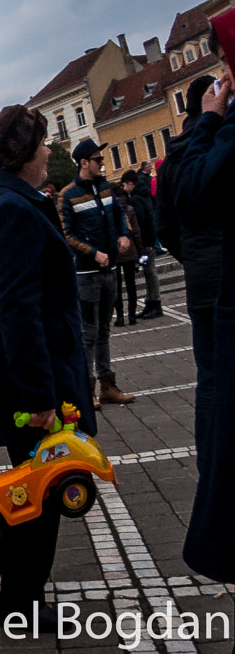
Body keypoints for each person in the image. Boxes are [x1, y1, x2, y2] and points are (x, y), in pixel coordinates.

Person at [0, 105, 92, 627]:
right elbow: (17, 307)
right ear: (23, 153)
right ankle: (16, 596)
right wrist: (38, 396)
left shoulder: (8, 199)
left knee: (37, 487)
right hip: (30, 379)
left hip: (31, 370)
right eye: (43, 144)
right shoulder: (12, 208)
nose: (50, 151)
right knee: (42, 492)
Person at [172, 59, 235, 583]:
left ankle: (212, 457)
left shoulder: (181, 154)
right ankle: (215, 459)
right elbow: (183, 205)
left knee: (211, 376)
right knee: (216, 376)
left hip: (201, 272)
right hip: (214, 275)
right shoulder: (203, 149)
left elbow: (167, 227)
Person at [57, 139, 134, 408]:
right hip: (86, 273)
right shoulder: (67, 195)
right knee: (87, 334)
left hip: (109, 269)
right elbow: (67, 234)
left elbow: (120, 216)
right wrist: (92, 252)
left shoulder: (106, 188)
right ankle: (85, 388)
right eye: (98, 159)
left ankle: (107, 385)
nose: (102, 163)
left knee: (104, 330)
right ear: (84, 163)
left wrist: (124, 235)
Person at [115, 170, 164, 321]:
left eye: (124, 185)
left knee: (149, 271)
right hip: (149, 237)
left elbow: (139, 223)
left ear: (130, 183)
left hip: (144, 240)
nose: (124, 188)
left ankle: (154, 303)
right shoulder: (144, 193)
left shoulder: (135, 199)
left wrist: (139, 244)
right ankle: (151, 303)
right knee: (149, 271)